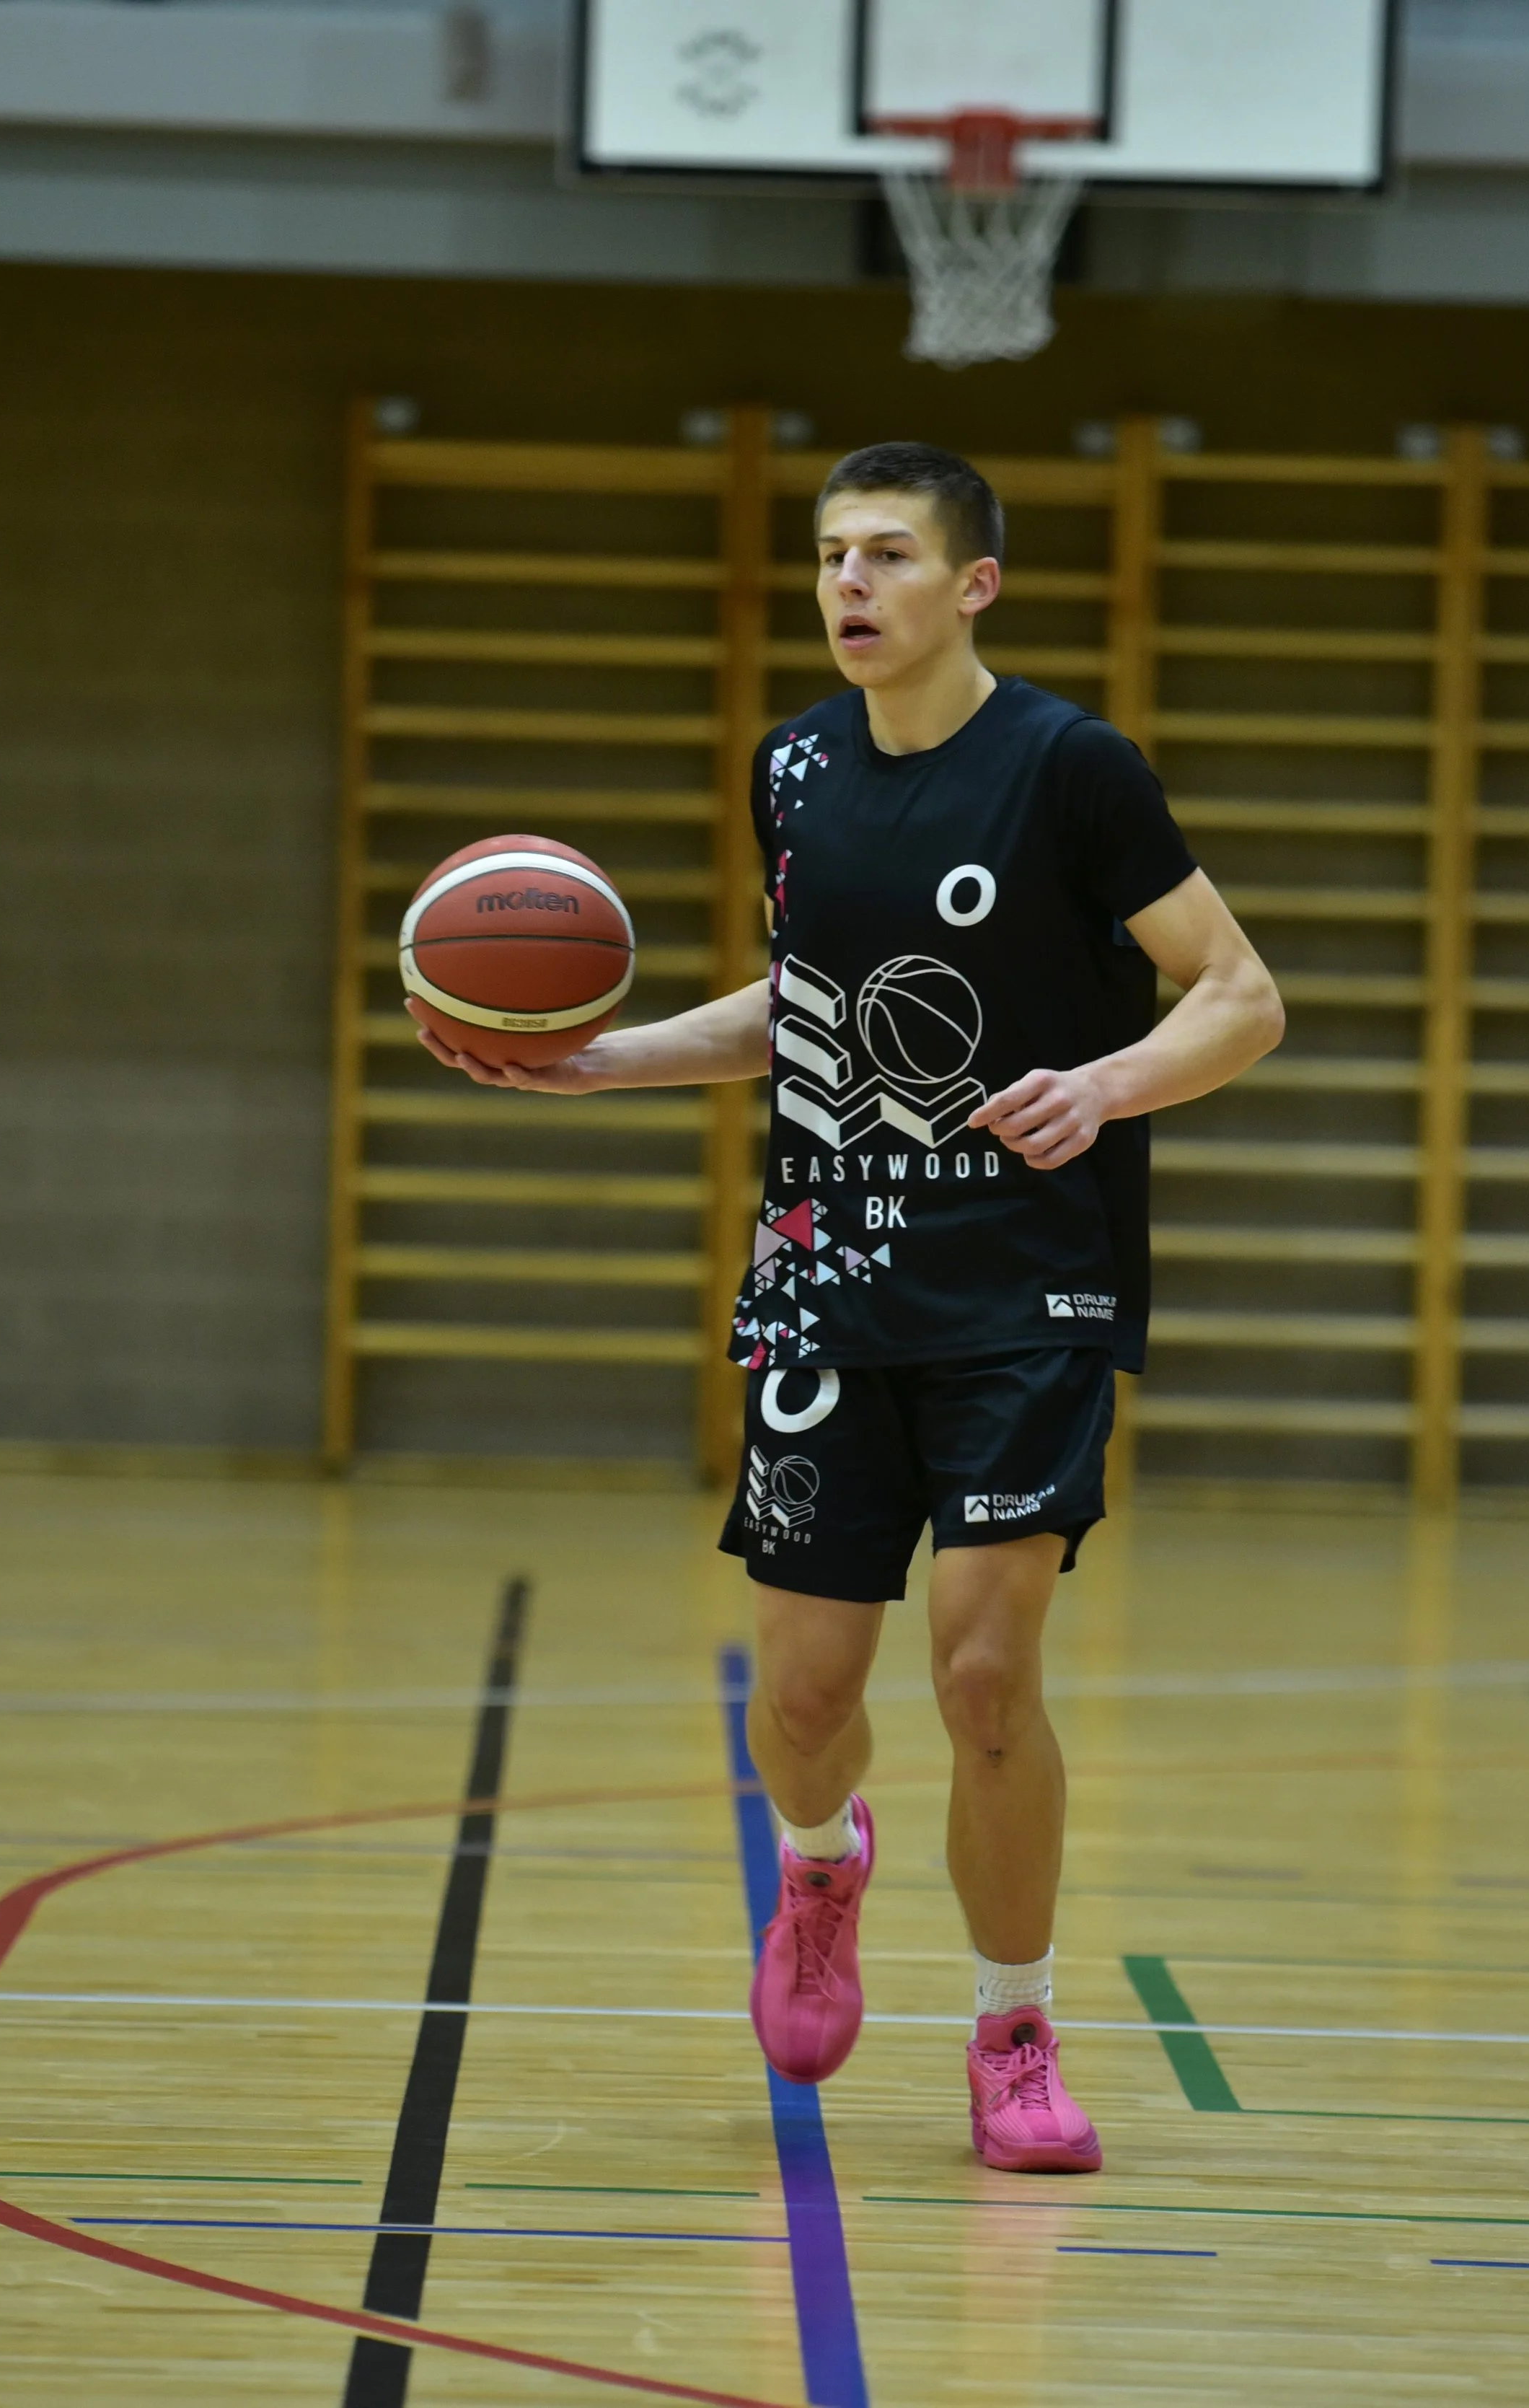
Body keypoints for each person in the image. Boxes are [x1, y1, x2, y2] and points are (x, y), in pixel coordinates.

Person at [414, 441, 1283, 2172]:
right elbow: (803, 1005)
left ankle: (1013, 2032)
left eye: (886, 554)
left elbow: (1237, 993)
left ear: (972, 584)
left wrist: (1104, 1084)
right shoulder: (794, 768)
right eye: (829, 556)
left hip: (1024, 1281)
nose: (848, 584)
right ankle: (819, 1869)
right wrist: (604, 1059)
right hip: (827, 1275)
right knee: (806, 1699)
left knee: (982, 1673)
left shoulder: (1069, 769)